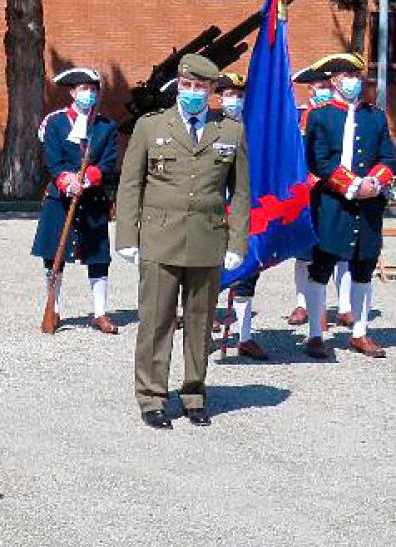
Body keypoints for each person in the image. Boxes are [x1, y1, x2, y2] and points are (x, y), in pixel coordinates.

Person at [116, 54, 250, 429]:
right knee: (156, 322)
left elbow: (239, 193)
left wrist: (237, 243)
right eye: (187, 85)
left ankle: (194, 394)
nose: (192, 92)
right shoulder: (151, 126)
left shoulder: (230, 132)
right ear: (178, 86)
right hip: (159, 240)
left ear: (212, 91)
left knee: (199, 322)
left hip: (208, 242)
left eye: (200, 87)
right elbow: (130, 186)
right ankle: (152, 397)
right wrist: (127, 236)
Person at [299, 53, 396, 359]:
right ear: (335, 80)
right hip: (332, 203)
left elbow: (388, 158)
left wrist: (375, 184)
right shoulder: (320, 115)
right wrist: (353, 186)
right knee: (321, 267)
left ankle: (360, 333)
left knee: (364, 267)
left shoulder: (375, 116)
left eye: (357, 76)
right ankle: (315, 333)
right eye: (348, 76)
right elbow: (318, 158)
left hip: (369, 205)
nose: (355, 81)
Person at [31, 68, 121, 334]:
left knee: (98, 256)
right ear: (72, 92)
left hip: (92, 197)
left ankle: (100, 313)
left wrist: (89, 178)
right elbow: (52, 158)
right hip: (60, 197)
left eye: (93, 90)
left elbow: (108, 160)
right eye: (84, 89)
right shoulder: (56, 122)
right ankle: (54, 309)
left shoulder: (106, 126)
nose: (89, 94)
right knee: (53, 255)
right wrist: (66, 181)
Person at [207, 73, 270, 360]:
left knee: (247, 272)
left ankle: (244, 336)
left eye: (239, 94)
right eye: (228, 94)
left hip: (247, 208)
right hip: (214, 209)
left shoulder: (255, 128)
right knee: (208, 272)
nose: (234, 99)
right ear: (218, 97)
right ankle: (205, 333)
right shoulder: (209, 124)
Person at [287, 73, 352, 327]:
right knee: (305, 254)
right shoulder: (298, 115)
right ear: (311, 87)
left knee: (341, 251)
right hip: (306, 193)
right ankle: (304, 305)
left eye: (328, 85)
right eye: (320, 85)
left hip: (337, 190)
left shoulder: (343, 114)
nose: (324, 89)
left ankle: (345, 306)